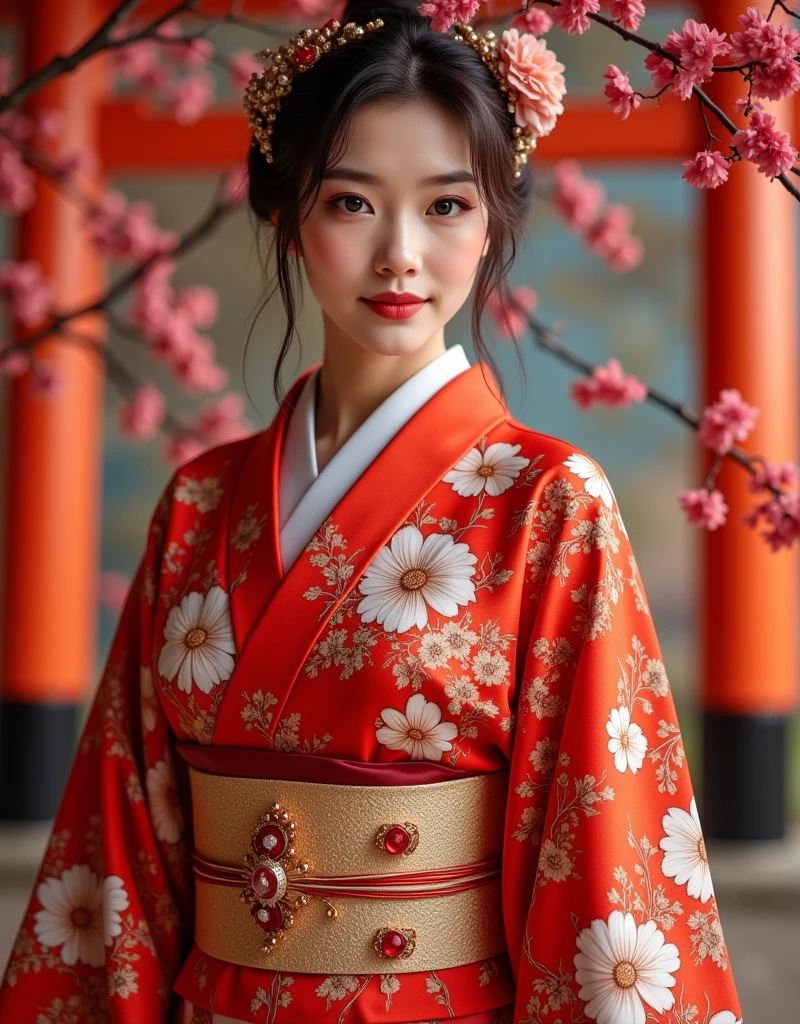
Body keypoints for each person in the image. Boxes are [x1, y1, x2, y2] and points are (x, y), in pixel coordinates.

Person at [0, 3, 743, 1023]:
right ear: (286, 212)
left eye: (445, 207)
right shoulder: (202, 502)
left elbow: (601, 849)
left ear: (491, 222)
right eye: (352, 203)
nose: (400, 253)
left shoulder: (547, 502)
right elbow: (118, 847)